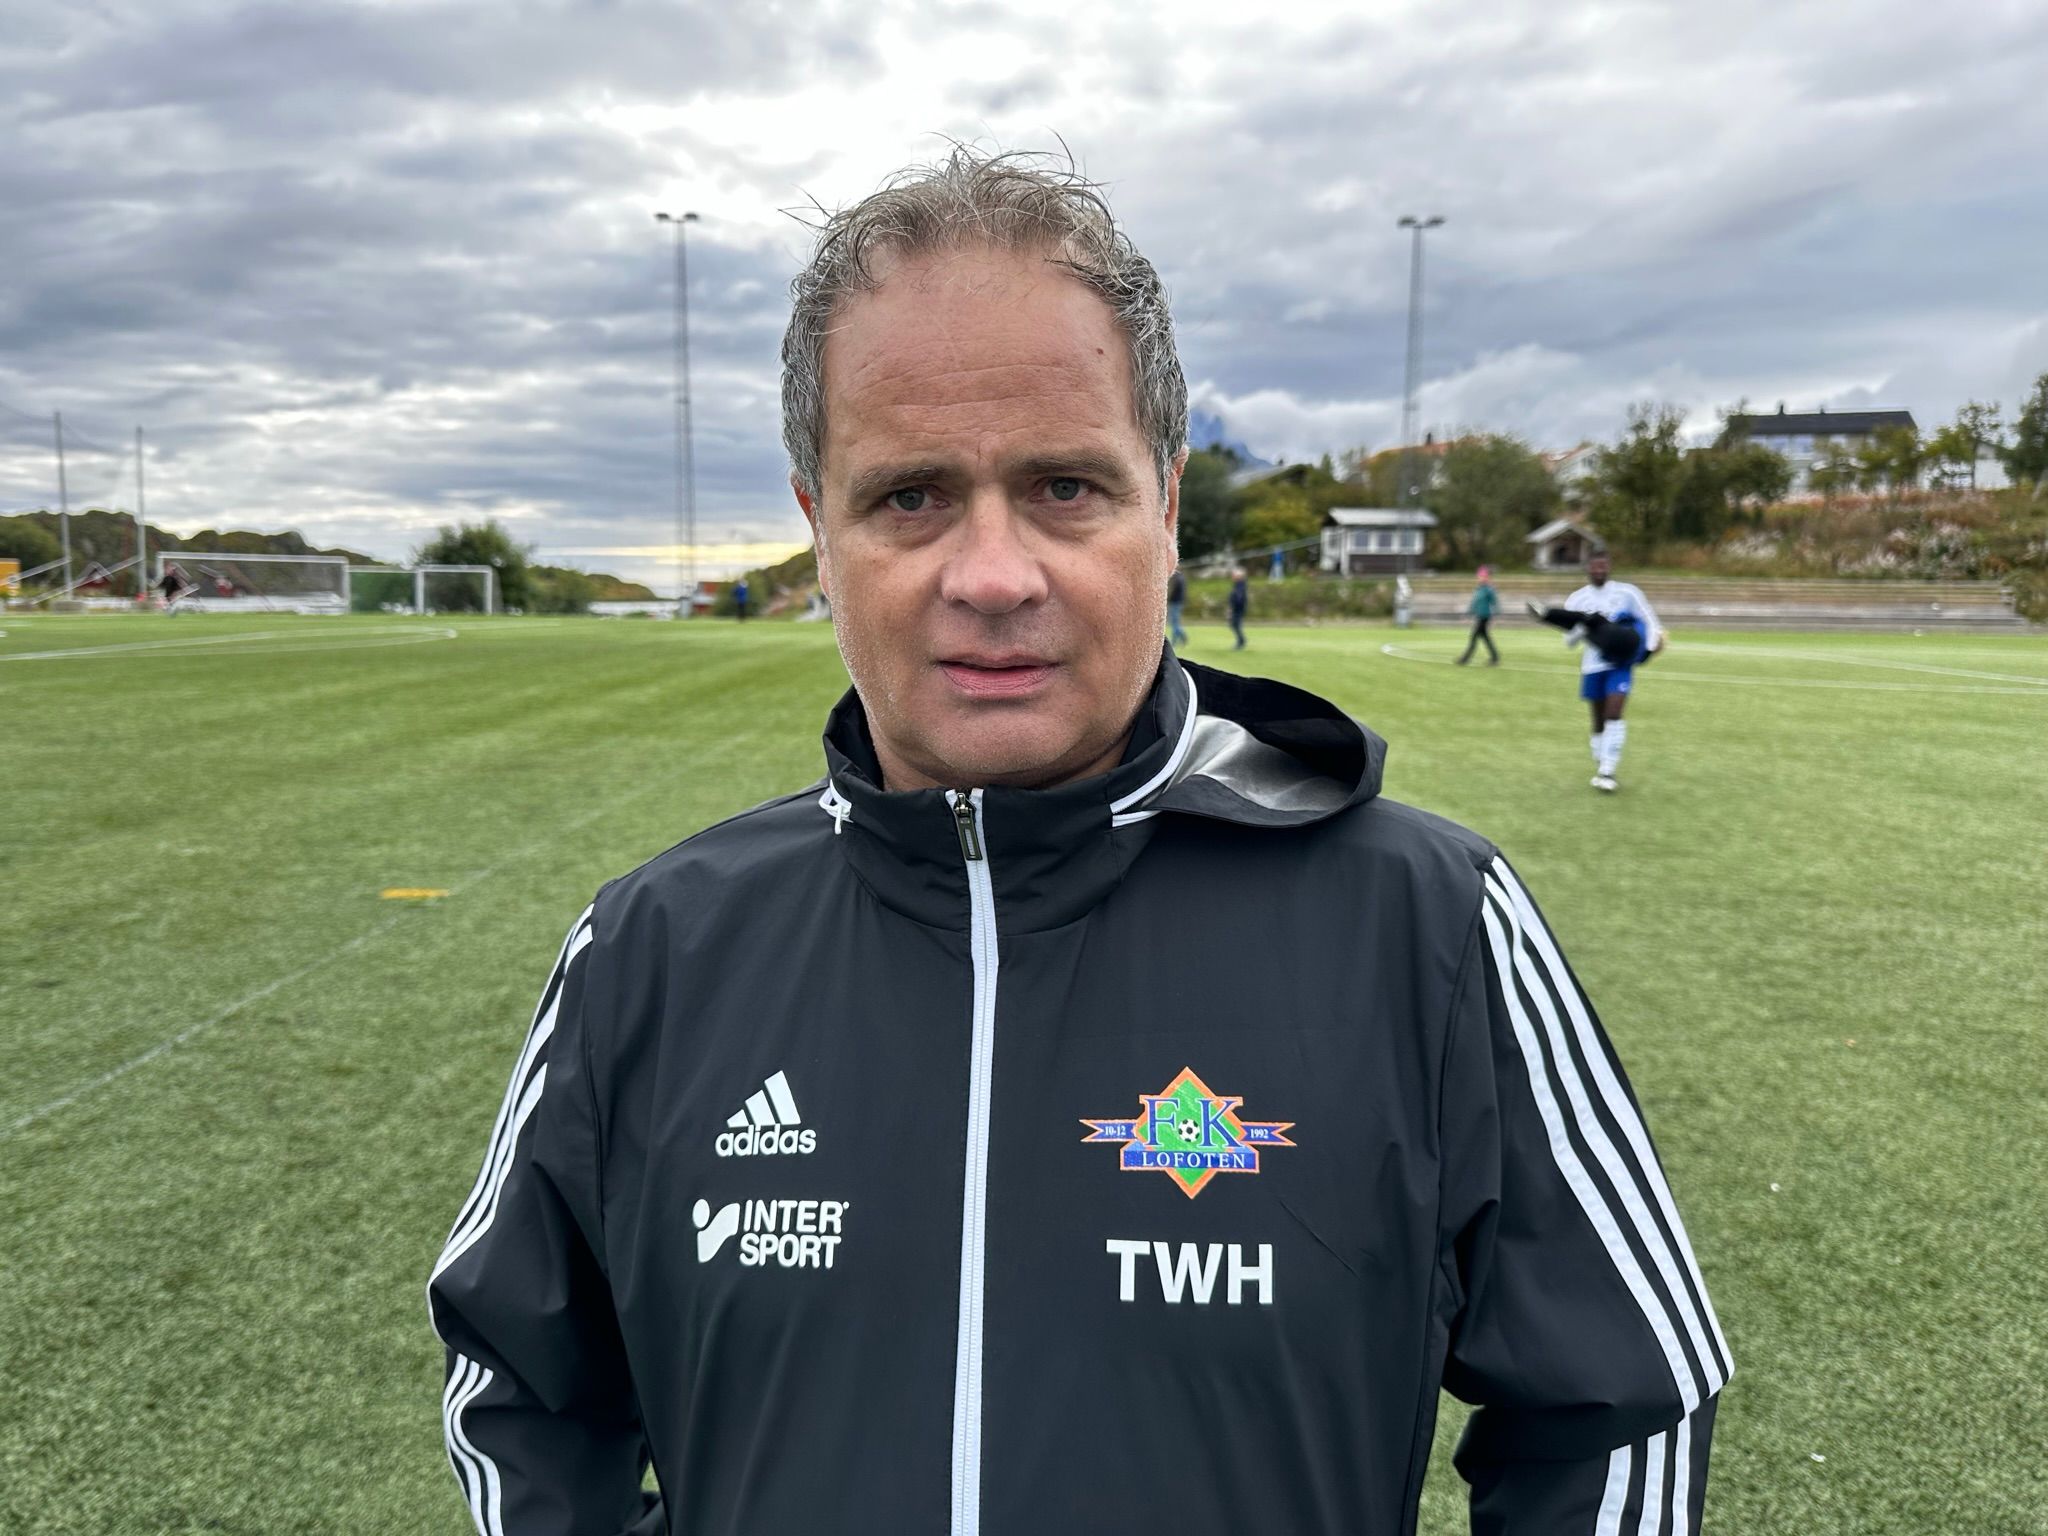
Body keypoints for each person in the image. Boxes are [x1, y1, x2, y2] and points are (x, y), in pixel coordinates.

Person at [429, 147, 1727, 1536]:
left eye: (1063, 487)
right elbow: (522, 1393)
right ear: (819, 530)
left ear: (1163, 505)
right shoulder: (651, 950)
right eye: (910, 496)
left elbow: (1620, 1408)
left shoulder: (1431, 926)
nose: (993, 577)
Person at [1534, 550, 1663, 792]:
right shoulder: (1577, 599)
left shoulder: (1627, 593)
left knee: (1614, 712)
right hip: (1592, 666)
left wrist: (1648, 649)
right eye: (1595, 567)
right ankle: (1601, 760)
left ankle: (1607, 771)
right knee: (1598, 719)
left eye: (1603, 566)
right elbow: (1568, 641)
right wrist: (1585, 627)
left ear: (1609, 567)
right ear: (1587, 568)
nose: (1599, 571)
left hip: (1620, 664)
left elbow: (1650, 620)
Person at [1456, 564, 1500, 665]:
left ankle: (1465, 659)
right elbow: (1474, 604)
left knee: (1474, 637)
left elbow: (1495, 603)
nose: (1480, 578)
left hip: (1485, 617)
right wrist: (1468, 614)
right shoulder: (1478, 589)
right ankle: (1495, 658)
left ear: (1487, 577)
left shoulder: (1489, 589)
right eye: (1479, 576)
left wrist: (1495, 616)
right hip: (1479, 616)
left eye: (1482, 576)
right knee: (1485, 638)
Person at [1164, 567, 1187, 648]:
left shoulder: (1178, 579)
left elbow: (1173, 592)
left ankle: (1176, 639)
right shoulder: (1182, 578)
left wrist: (1168, 599)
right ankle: (1180, 637)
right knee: (1175, 622)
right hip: (1178, 602)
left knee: (1175, 623)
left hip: (1175, 603)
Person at [1226, 564, 1248, 648]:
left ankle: (1241, 641)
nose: (1232, 576)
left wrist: (1232, 608)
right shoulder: (1237, 584)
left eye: (1234, 575)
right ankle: (1241, 640)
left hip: (1238, 609)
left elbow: (1239, 598)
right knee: (1234, 625)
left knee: (1235, 624)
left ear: (1239, 576)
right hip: (1236, 608)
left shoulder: (1241, 585)